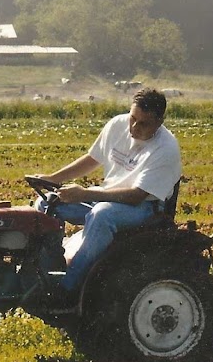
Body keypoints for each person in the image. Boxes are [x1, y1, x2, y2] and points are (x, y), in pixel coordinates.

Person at [30, 87, 182, 298]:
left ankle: (67, 288)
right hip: (106, 195)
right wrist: (53, 178)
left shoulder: (166, 148)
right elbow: (92, 158)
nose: (134, 127)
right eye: (133, 118)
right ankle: (44, 275)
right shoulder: (118, 124)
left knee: (102, 215)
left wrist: (85, 194)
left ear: (159, 122)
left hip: (144, 207)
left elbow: (136, 196)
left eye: (143, 123)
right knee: (47, 203)